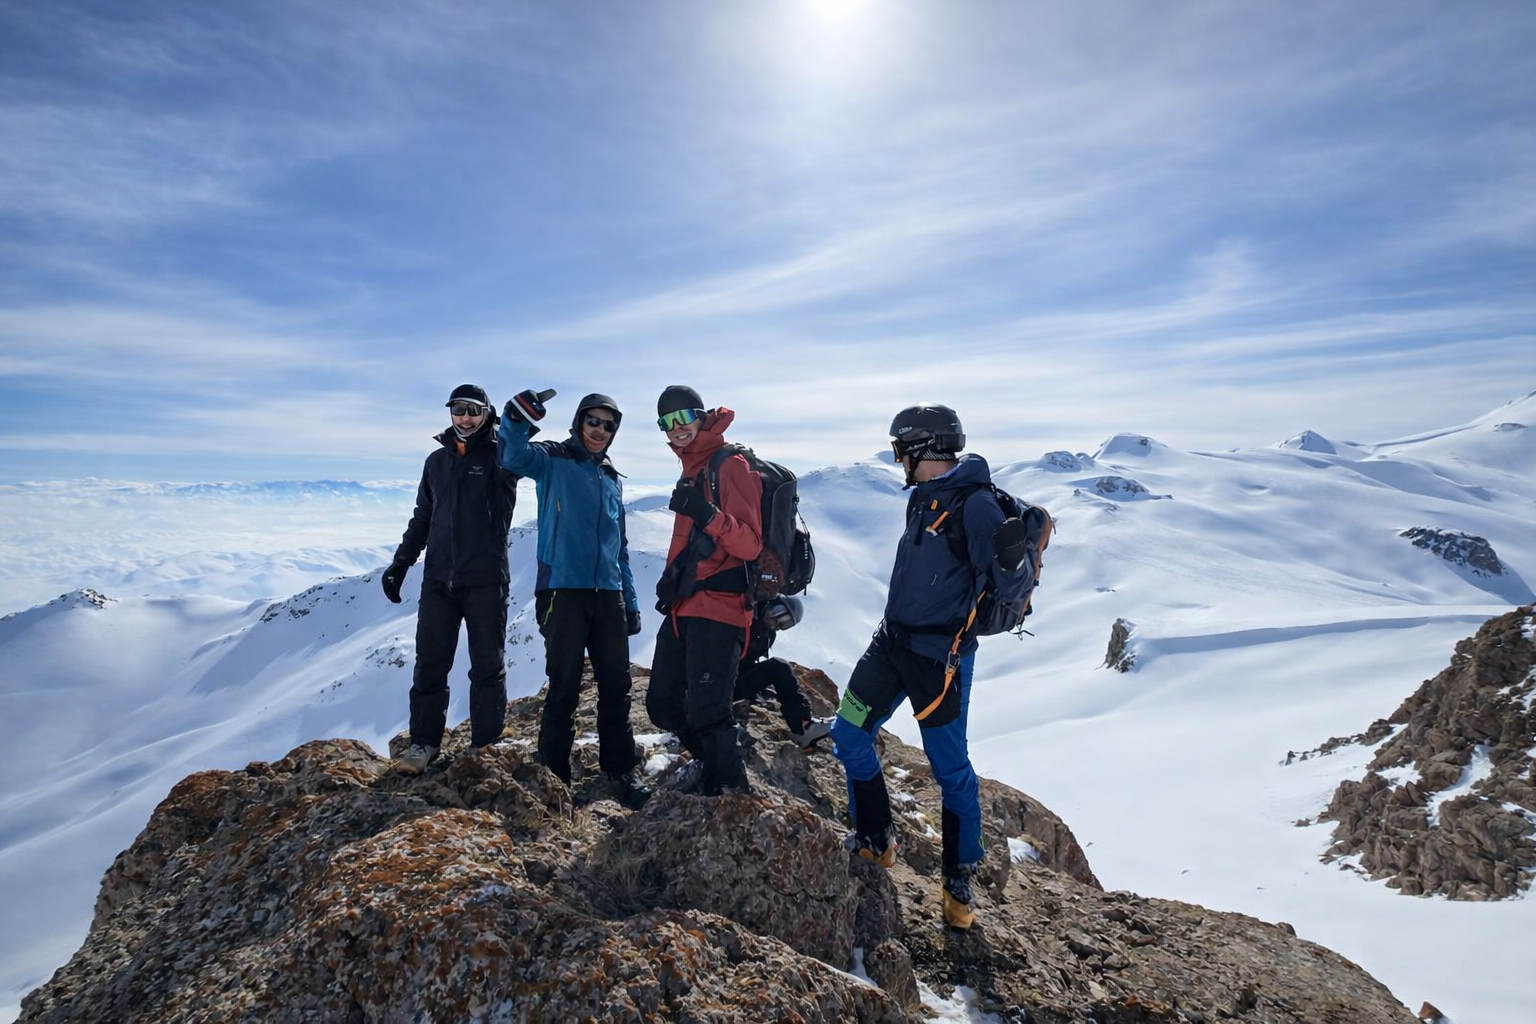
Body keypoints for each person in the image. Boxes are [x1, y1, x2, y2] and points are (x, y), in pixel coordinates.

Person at [828, 403, 1038, 930]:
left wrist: (1014, 562)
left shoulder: (977, 505)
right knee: (848, 732)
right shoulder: (922, 499)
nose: (897, 459)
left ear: (922, 449)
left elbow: (1011, 583)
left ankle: (959, 875)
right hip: (890, 644)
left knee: (950, 768)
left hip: (939, 661)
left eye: (901, 449)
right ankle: (877, 841)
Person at [499, 387, 650, 809]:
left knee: (616, 688)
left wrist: (631, 602)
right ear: (579, 421)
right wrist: (516, 417)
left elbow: (618, 549)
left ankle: (621, 769)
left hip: (609, 597)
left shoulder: (610, 479)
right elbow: (511, 454)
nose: (600, 430)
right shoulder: (552, 459)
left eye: (608, 425)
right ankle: (554, 777)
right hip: (562, 593)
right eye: (593, 421)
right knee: (563, 687)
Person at [381, 384, 518, 774]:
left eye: (474, 410)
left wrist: (518, 420)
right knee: (430, 663)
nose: (465, 417)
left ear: (487, 413)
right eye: (459, 409)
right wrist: (401, 563)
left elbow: (522, 448)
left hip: (486, 578)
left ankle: (485, 748)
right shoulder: (436, 462)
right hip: (439, 579)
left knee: (487, 665)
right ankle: (424, 744)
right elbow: (423, 516)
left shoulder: (502, 456)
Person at [646, 385, 763, 794]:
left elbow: (749, 543)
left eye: (682, 418)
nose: (675, 429)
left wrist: (707, 514)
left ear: (700, 415)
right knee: (662, 704)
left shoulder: (730, 465)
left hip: (721, 607)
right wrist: (674, 579)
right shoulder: (692, 466)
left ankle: (729, 795)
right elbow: (693, 543)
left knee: (709, 713)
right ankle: (712, 760)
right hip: (687, 604)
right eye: (666, 422)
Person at [733, 595, 833, 747]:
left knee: (779, 668)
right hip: (709, 678)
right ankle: (803, 727)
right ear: (773, 603)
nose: (778, 622)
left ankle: (803, 726)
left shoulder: (766, 635)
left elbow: (746, 662)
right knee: (778, 667)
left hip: (729, 681)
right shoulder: (744, 610)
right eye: (780, 614)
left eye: (785, 623)